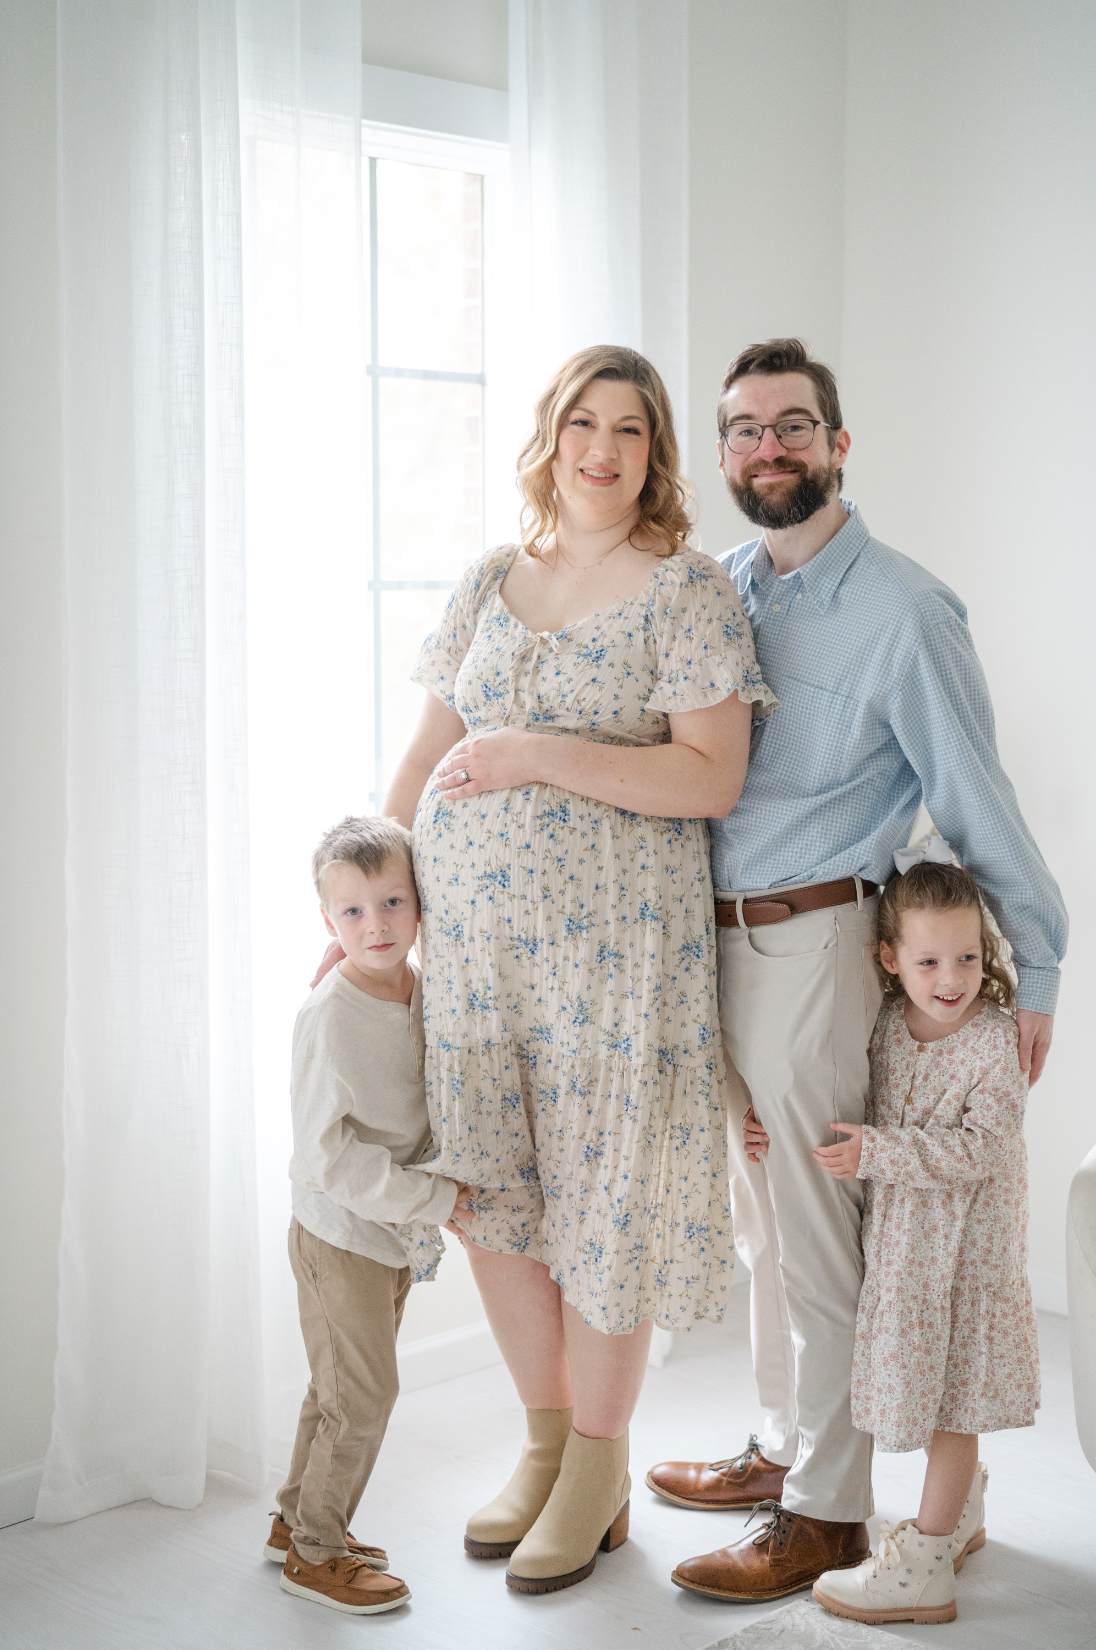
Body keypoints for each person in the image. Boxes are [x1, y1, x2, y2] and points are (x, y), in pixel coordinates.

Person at [653, 338, 1066, 1603]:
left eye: (791, 426)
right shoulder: (722, 589)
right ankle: (787, 1449)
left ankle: (829, 1514)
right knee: (766, 1224)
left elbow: (972, 799)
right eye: (741, 430)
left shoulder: (902, 609)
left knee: (824, 1240)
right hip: (714, 939)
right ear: (722, 455)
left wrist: (1033, 964)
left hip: (815, 940)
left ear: (838, 445)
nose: (764, 448)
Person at [384, 344, 774, 1595]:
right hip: (474, 960)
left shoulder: (687, 591)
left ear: (656, 455)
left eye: (630, 430)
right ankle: (546, 1444)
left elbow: (708, 778)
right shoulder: (491, 579)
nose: (601, 450)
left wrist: (538, 752)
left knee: (609, 1203)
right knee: (493, 1199)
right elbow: (424, 757)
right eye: (580, 425)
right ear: (549, 437)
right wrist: (376, 906)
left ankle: (600, 1463)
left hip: (617, 965)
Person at [807, 849, 1038, 1626]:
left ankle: (928, 1560)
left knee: (953, 1403)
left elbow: (981, 1148)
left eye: (969, 957)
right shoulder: (883, 1026)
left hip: (967, 1257)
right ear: (889, 958)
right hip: (906, 1252)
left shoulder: (993, 1042)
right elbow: (848, 1098)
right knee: (932, 1392)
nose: (952, 977)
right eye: (931, 959)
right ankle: (960, 1513)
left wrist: (875, 1152)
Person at [271, 816, 474, 1616]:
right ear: (329, 922)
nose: (377, 925)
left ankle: (296, 1522)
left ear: (421, 905)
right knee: (364, 1394)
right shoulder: (331, 1017)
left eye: (393, 902)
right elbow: (329, 1158)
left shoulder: (419, 988)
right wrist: (437, 1200)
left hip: (384, 1232)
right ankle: (316, 1552)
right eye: (353, 912)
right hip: (339, 1233)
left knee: (337, 1389)